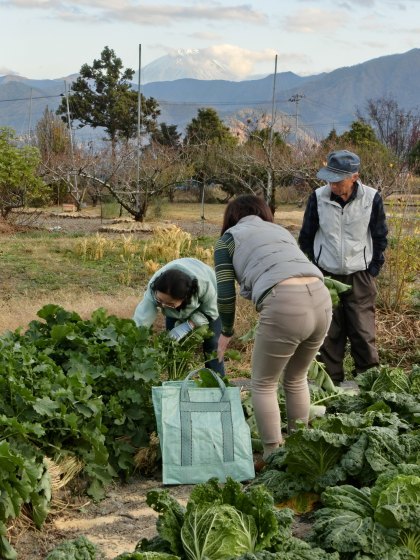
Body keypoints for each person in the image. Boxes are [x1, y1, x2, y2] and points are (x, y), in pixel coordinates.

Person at [214, 195, 332, 461]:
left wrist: (227, 332)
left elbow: (225, 293)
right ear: (263, 212)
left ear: (230, 217)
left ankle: (272, 457)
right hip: (322, 298)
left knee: (264, 383)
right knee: (296, 377)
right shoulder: (279, 230)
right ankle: (300, 450)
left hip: (285, 302)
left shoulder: (228, 240)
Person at [298, 150, 388, 385]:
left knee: (363, 332)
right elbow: (306, 236)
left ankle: (369, 385)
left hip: (360, 275)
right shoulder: (318, 197)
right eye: (330, 180)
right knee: (328, 333)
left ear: (354, 177)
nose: (333, 185)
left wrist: (373, 270)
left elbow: (380, 236)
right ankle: (330, 386)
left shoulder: (371, 198)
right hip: (326, 275)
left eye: (338, 181)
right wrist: (314, 270)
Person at [133, 257, 225, 376]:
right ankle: (176, 381)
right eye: (160, 300)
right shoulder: (155, 286)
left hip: (211, 306)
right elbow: (142, 317)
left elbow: (212, 311)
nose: (162, 305)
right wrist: (133, 339)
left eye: (169, 303)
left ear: (184, 298)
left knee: (213, 343)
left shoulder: (205, 285)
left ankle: (217, 383)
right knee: (173, 344)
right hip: (176, 307)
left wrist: (188, 325)